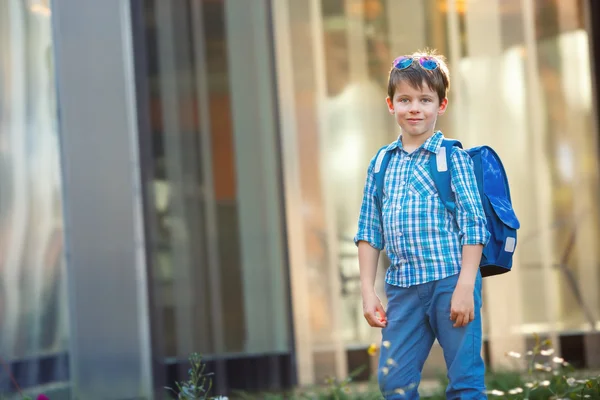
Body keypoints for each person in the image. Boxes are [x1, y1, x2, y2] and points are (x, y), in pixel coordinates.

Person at [354, 49, 490, 399]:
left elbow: (474, 226)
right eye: (405, 99)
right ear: (391, 104)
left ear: (441, 106)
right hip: (403, 288)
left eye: (425, 99)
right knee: (394, 382)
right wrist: (369, 292)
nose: (415, 107)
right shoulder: (381, 163)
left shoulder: (452, 158)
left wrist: (465, 285)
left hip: (450, 281)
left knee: (465, 382)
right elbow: (369, 232)